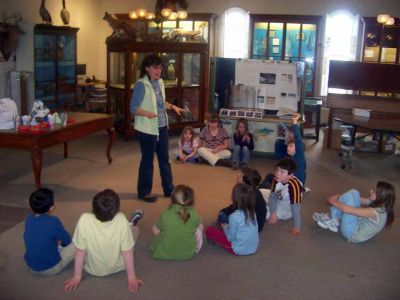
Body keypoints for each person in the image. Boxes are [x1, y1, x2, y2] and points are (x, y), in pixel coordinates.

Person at [64, 189, 144, 292]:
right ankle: (131, 224)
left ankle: (130, 225)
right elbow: (127, 252)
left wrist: (77, 277)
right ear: (117, 209)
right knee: (134, 232)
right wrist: (132, 278)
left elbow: (80, 252)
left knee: (80, 245)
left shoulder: (84, 219)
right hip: (119, 265)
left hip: (93, 270)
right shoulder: (121, 218)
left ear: (93, 208)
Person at [130, 54, 184, 203]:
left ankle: (169, 189)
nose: (158, 71)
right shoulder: (141, 84)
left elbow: (161, 102)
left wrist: (173, 107)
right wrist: (147, 113)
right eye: (155, 67)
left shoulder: (159, 82)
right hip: (147, 130)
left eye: (160, 68)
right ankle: (144, 192)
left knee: (164, 160)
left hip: (162, 127)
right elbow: (133, 108)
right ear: (147, 68)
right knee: (147, 161)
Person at [313, 181, 396, 243]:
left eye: (374, 191)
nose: (371, 191)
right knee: (354, 192)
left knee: (348, 198)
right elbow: (360, 199)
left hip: (352, 234)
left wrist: (333, 201)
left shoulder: (375, 212)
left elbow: (348, 210)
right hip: (356, 224)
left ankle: (332, 218)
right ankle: (335, 219)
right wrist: (339, 196)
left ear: (380, 196)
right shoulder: (381, 205)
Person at [23, 188, 74, 276]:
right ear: (51, 207)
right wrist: (63, 244)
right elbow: (67, 240)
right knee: (78, 244)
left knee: (48, 240)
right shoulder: (53, 221)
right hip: (50, 268)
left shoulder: (29, 218)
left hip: (31, 265)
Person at [149, 185, 203, 260]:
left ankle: (167, 241)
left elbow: (156, 230)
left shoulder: (166, 214)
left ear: (173, 199)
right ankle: (191, 245)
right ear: (191, 200)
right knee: (198, 228)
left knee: (155, 228)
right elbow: (201, 227)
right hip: (188, 253)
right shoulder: (194, 214)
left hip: (165, 251)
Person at [206, 183, 259, 255]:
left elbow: (230, 238)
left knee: (209, 230)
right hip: (254, 247)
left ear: (235, 198)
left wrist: (225, 227)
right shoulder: (252, 211)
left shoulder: (234, 216)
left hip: (238, 249)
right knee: (229, 225)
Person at [217, 167, 267, 232]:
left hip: (251, 227)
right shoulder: (254, 190)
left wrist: (224, 211)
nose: (238, 175)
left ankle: (229, 228)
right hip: (258, 224)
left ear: (245, 182)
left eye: (240, 176)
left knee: (221, 216)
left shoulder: (244, 194)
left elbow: (236, 207)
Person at [268, 158, 304, 237]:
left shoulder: (294, 186)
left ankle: (302, 190)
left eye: (282, 172)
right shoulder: (277, 178)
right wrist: (273, 213)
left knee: (264, 212)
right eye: (277, 170)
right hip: (279, 198)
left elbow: (296, 208)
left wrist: (297, 227)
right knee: (261, 191)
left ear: (290, 175)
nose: (278, 174)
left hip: (286, 210)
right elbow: (272, 197)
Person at [286, 113, 307, 186]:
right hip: (292, 181)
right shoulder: (292, 157)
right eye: (288, 145)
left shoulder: (299, 155)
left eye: (291, 146)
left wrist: (295, 122)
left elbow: (298, 139)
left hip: (296, 185)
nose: (288, 147)